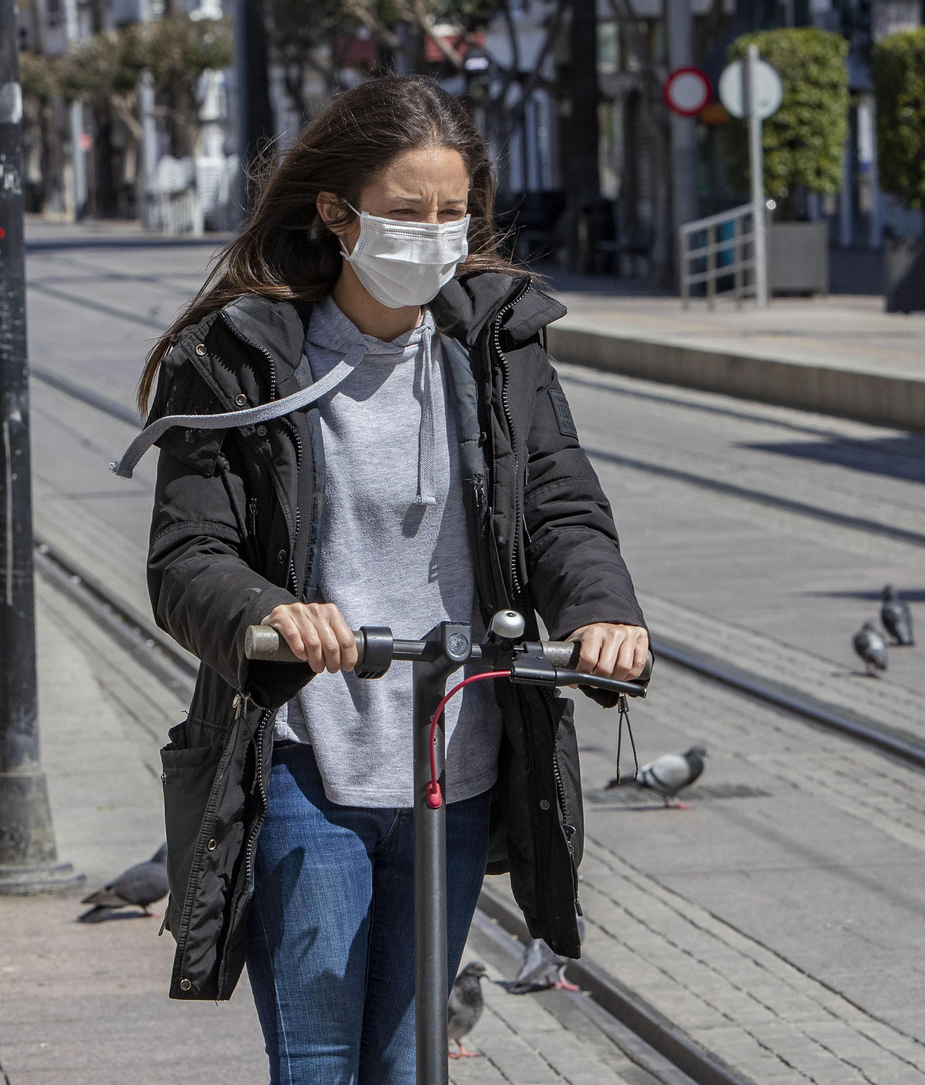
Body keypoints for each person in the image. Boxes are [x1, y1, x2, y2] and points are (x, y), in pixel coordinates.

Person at [131, 75, 648, 1085]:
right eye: (407, 214)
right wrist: (268, 611)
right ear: (337, 212)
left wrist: (601, 611)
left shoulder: (495, 346)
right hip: (304, 762)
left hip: (455, 759)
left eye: (452, 213)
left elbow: (559, 507)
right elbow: (186, 557)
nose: (435, 235)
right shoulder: (245, 356)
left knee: (412, 1058)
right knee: (321, 1059)